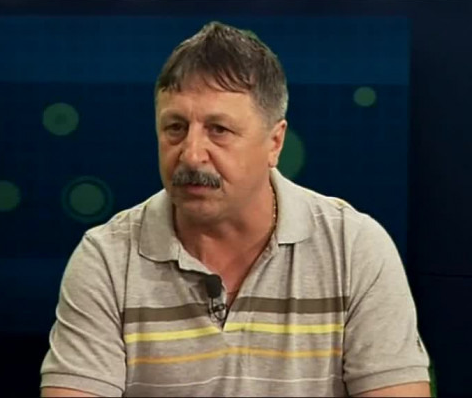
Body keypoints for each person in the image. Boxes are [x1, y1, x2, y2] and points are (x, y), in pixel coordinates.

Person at [40, 21, 430, 397]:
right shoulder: (108, 258)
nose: (191, 154)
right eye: (175, 127)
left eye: (219, 130)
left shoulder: (354, 248)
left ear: (275, 143)